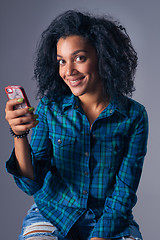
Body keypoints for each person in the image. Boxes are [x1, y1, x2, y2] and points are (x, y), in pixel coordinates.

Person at [5, 10, 148, 240]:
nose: (68, 71)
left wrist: (99, 236)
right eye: (62, 61)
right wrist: (19, 135)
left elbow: (123, 193)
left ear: (103, 57)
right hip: (52, 215)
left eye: (79, 58)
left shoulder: (134, 116)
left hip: (109, 220)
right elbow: (31, 184)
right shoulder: (50, 107)